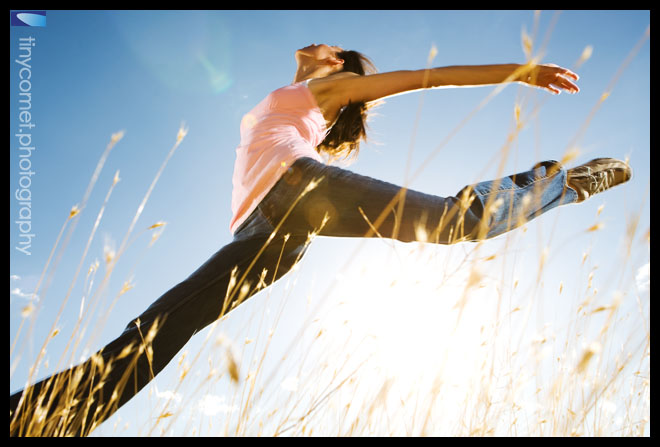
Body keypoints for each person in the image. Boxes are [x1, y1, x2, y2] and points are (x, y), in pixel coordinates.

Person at [9, 43, 632, 436]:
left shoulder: (323, 90)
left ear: (337, 67)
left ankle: (559, 183)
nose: (322, 42)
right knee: (161, 329)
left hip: (296, 190)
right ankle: (38, 420)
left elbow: (425, 78)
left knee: (450, 220)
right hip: (264, 229)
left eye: (335, 47)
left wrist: (519, 69)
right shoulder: (299, 96)